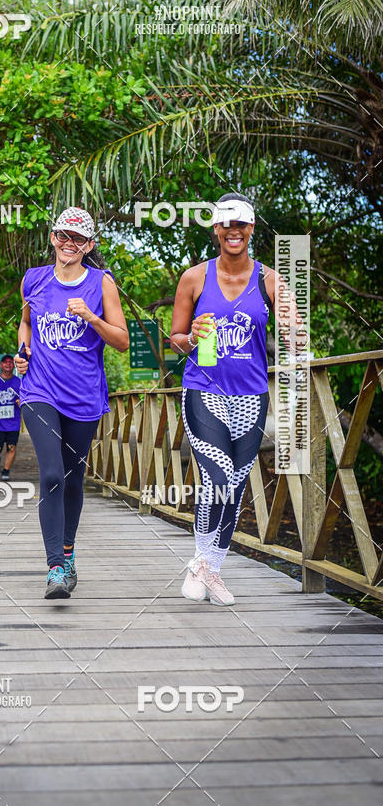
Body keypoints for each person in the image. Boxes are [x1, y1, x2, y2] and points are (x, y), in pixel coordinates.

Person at [170, 193, 303, 606]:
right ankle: (205, 566)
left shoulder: (271, 280)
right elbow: (176, 340)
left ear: (251, 229)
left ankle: (205, 567)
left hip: (251, 396)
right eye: (226, 224)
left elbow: (295, 336)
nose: (233, 231)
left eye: (241, 224)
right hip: (203, 389)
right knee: (221, 474)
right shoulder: (194, 278)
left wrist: (293, 330)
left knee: (234, 485)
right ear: (215, 229)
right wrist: (192, 337)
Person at [15, 207, 129, 599]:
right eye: (64, 235)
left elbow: (122, 340)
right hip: (38, 391)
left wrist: (92, 318)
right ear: (52, 237)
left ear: (90, 245)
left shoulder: (102, 284)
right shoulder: (34, 279)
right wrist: (22, 351)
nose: (69, 243)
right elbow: (26, 323)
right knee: (50, 476)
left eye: (78, 238)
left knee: (72, 479)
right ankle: (55, 569)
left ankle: (68, 550)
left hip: (83, 396)